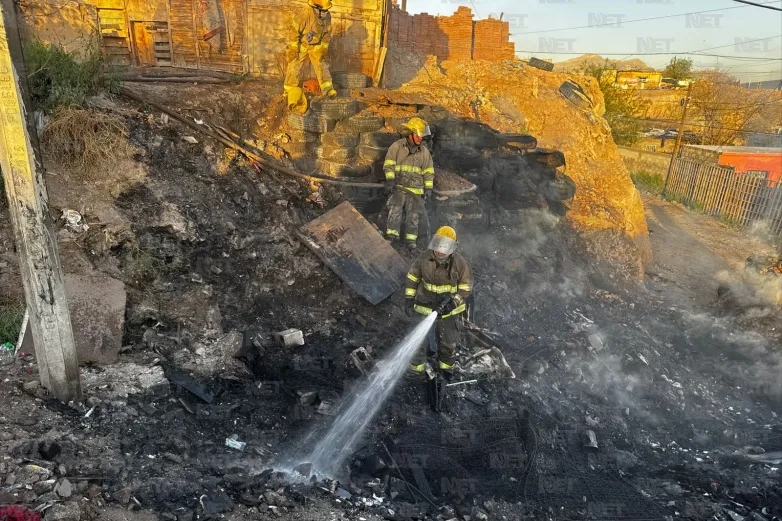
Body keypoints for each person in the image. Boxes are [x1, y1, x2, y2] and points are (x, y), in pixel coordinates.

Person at [405, 226, 473, 374]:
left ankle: (446, 371)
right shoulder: (424, 258)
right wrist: (409, 299)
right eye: (439, 244)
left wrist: (454, 302)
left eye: (445, 246)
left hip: (448, 311)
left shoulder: (460, 263)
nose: (440, 250)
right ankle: (415, 371)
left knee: (448, 344)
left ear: (452, 247)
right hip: (424, 305)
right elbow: (412, 278)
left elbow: (466, 288)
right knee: (417, 342)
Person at [383, 117, 435, 249]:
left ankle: (410, 242)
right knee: (395, 210)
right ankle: (391, 237)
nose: (420, 139)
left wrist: (428, 189)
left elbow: (428, 171)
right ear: (410, 134)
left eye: (421, 136)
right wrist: (390, 180)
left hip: (416, 190)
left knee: (413, 216)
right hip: (399, 187)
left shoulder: (424, 152)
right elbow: (389, 164)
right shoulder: (397, 147)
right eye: (418, 135)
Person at [284, 0, 337, 114]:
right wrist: (293, 48)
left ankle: (328, 89)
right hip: (301, 45)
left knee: (321, 65)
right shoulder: (305, 14)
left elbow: (327, 34)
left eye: (326, 10)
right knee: (294, 65)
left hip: (316, 46)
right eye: (323, 11)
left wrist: (323, 49)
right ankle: (289, 89)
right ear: (316, 8)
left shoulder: (327, 17)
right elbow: (294, 30)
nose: (325, 13)